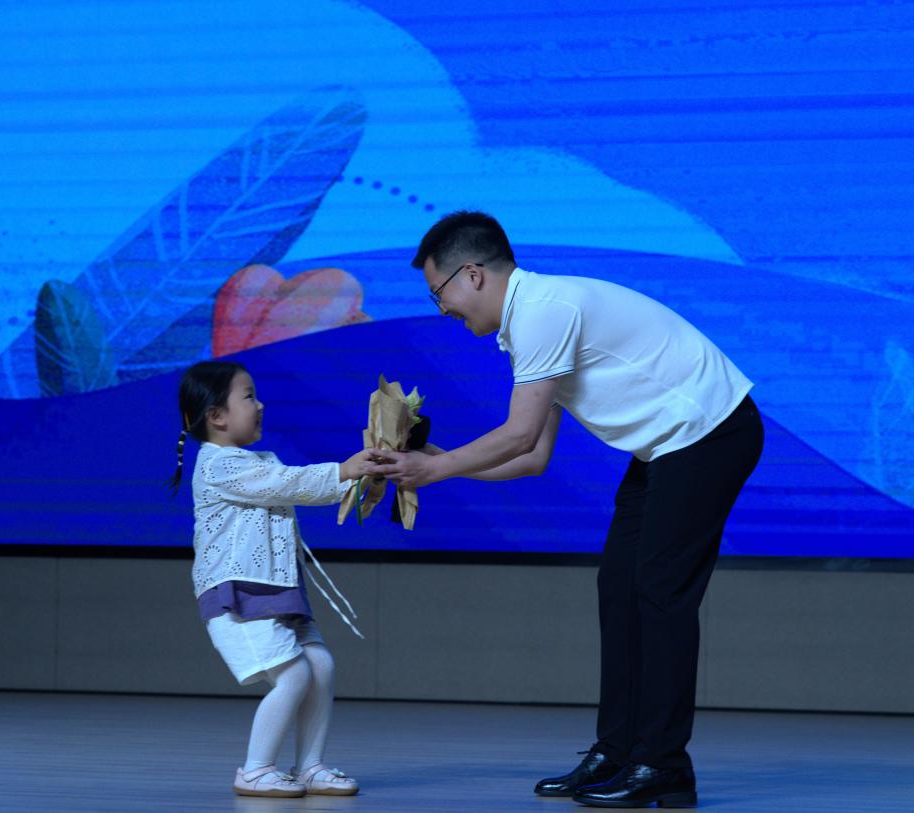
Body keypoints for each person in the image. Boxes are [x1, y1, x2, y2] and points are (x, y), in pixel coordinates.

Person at [369, 211, 763, 808]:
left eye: (437, 292)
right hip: (666, 447)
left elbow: (519, 435)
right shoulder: (527, 323)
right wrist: (435, 461)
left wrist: (436, 470)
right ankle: (618, 751)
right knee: (619, 587)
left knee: (660, 590)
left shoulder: (543, 311)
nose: (441, 308)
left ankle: (663, 765)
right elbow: (533, 457)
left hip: (710, 433)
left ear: (472, 274)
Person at [171, 360, 375, 798]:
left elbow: (297, 486)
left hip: (275, 590)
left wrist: (369, 476)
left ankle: (310, 766)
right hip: (237, 593)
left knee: (319, 666)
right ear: (216, 416)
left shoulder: (256, 462)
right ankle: (255, 769)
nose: (260, 404)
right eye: (249, 396)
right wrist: (346, 470)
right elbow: (289, 483)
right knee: (294, 675)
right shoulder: (219, 465)